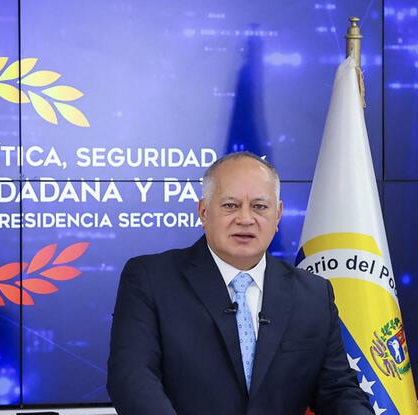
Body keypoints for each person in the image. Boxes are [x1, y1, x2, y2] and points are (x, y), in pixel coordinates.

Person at [107, 152, 373, 415]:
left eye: (259, 206)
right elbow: (133, 379)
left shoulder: (314, 294)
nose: (245, 219)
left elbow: (337, 389)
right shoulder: (151, 278)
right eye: (230, 205)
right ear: (203, 210)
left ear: (278, 214)